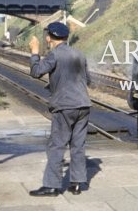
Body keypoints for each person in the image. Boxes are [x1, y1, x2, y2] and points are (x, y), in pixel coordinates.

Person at [28, 22, 92, 197]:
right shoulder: (79, 54)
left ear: (49, 37)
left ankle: (51, 186)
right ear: (65, 37)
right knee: (78, 145)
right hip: (84, 104)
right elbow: (87, 80)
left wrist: (34, 52)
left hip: (65, 106)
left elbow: (36, 72)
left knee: (57, 145)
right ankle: (77, 183)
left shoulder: (54, 55)